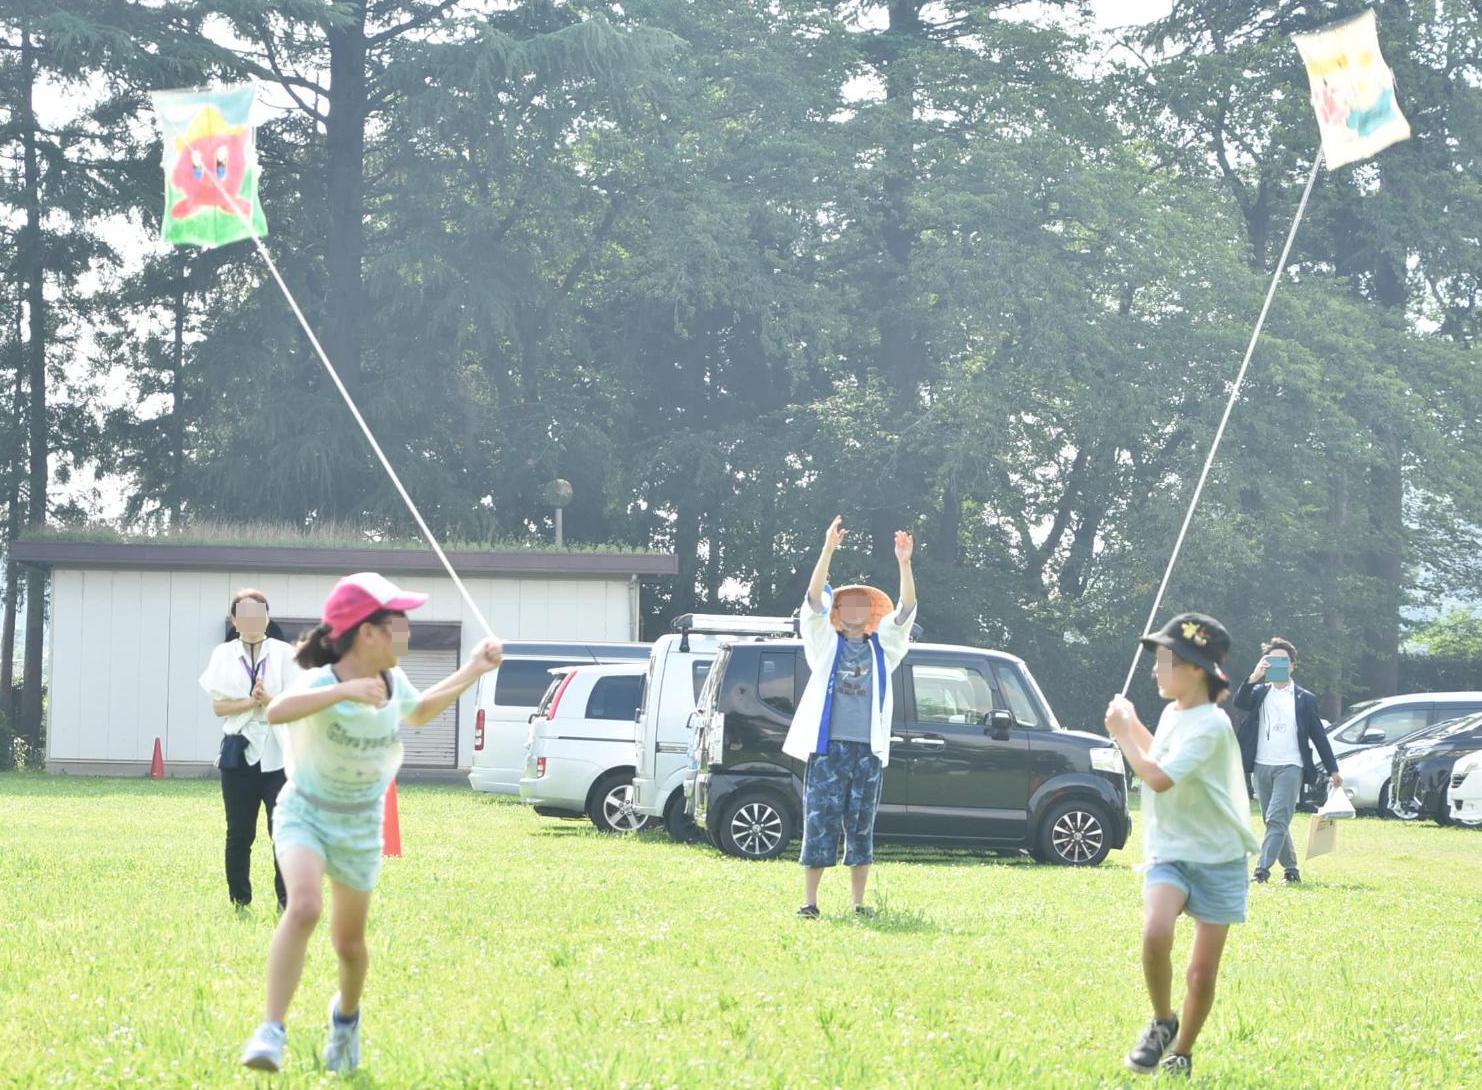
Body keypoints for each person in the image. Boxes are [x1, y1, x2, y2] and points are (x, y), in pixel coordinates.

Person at [239, 573, 503, 1073]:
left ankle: (346, 1021)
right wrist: (343, 694)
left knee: (350, 946)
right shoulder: (324, 681)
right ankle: (270, 1030)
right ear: (368, 632)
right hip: (306, 812)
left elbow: (421, 711)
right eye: (399, 623)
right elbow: (278, 711)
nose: (406, 633)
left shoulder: (392, 680)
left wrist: (473, 667)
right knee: (304, 907)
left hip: (360, 824)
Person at [1104, 613, 1259, 1079]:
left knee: (1200, 974)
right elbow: (1159, 757)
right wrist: (1132, 727)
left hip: (1220, 859)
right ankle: (1162, 1021)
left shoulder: (1212, 725)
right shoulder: (1174, 713)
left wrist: (1120, 732)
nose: (1155, 669)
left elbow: (1157, 777)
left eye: (1165, 660)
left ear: (1195, 668)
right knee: (1155, 931)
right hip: (1171, 850)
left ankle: (1182, 1052)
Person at [782, 515, 916, 919]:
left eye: (863, 604)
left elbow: (907, 609)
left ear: (870, 613)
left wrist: (904, 564)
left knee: (861, 827)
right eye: (848, 603)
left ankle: (859, 905)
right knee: (819, 822)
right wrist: (827, 550)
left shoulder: (884, 648)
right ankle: (810, 902)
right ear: (840, 611)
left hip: (868, 752)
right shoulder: (824, 643)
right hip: (827, 750)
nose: (855, 609)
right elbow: (812, 600)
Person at [198, 589, 298, 911]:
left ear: (268, 617)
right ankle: (240, 901)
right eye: (245, 613)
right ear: (235, 619)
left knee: (282, 832)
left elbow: (298, 704)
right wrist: (250, 702)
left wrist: (269, 700)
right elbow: (217, 707)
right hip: (238, 754)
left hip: (279, 756)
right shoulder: (223, 654)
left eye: (259, 613)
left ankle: (287, 902)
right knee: (239, 833)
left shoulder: (285, 654)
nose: (252, 620)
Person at [1232, 637, 1341, 883]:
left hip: (1291, 766)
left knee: (1277, 818)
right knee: (1274, 821)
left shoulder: (1305, 698)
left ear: (1292, 666)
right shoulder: (1259, 692)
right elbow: (1239, 702)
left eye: (1283, 661)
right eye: (1272, 660)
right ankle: (1291, 870)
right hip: (1261, 765)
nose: (1277, 665)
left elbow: (1319, 736)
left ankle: (1261, 871)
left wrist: (1333, 769)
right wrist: (1254, 676)